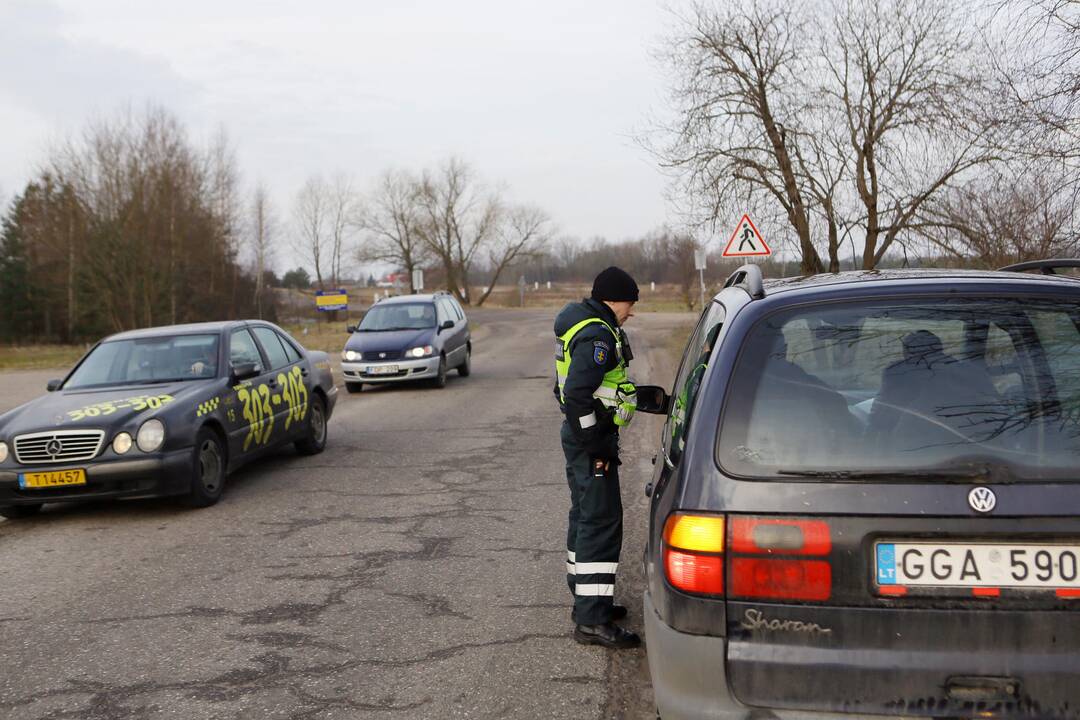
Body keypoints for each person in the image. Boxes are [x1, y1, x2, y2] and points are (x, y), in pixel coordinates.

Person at [553, 266, 642, 649]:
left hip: (581, 440)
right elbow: (576, 394)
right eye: (630, 303)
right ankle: (592, 621)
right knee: (601, 522)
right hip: (590, 444)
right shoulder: (597, 335)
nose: (632, 311)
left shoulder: (581, 325)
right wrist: (595, 442)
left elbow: (564, 386)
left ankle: (587, 600)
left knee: (585, 515)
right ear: (611, 300)